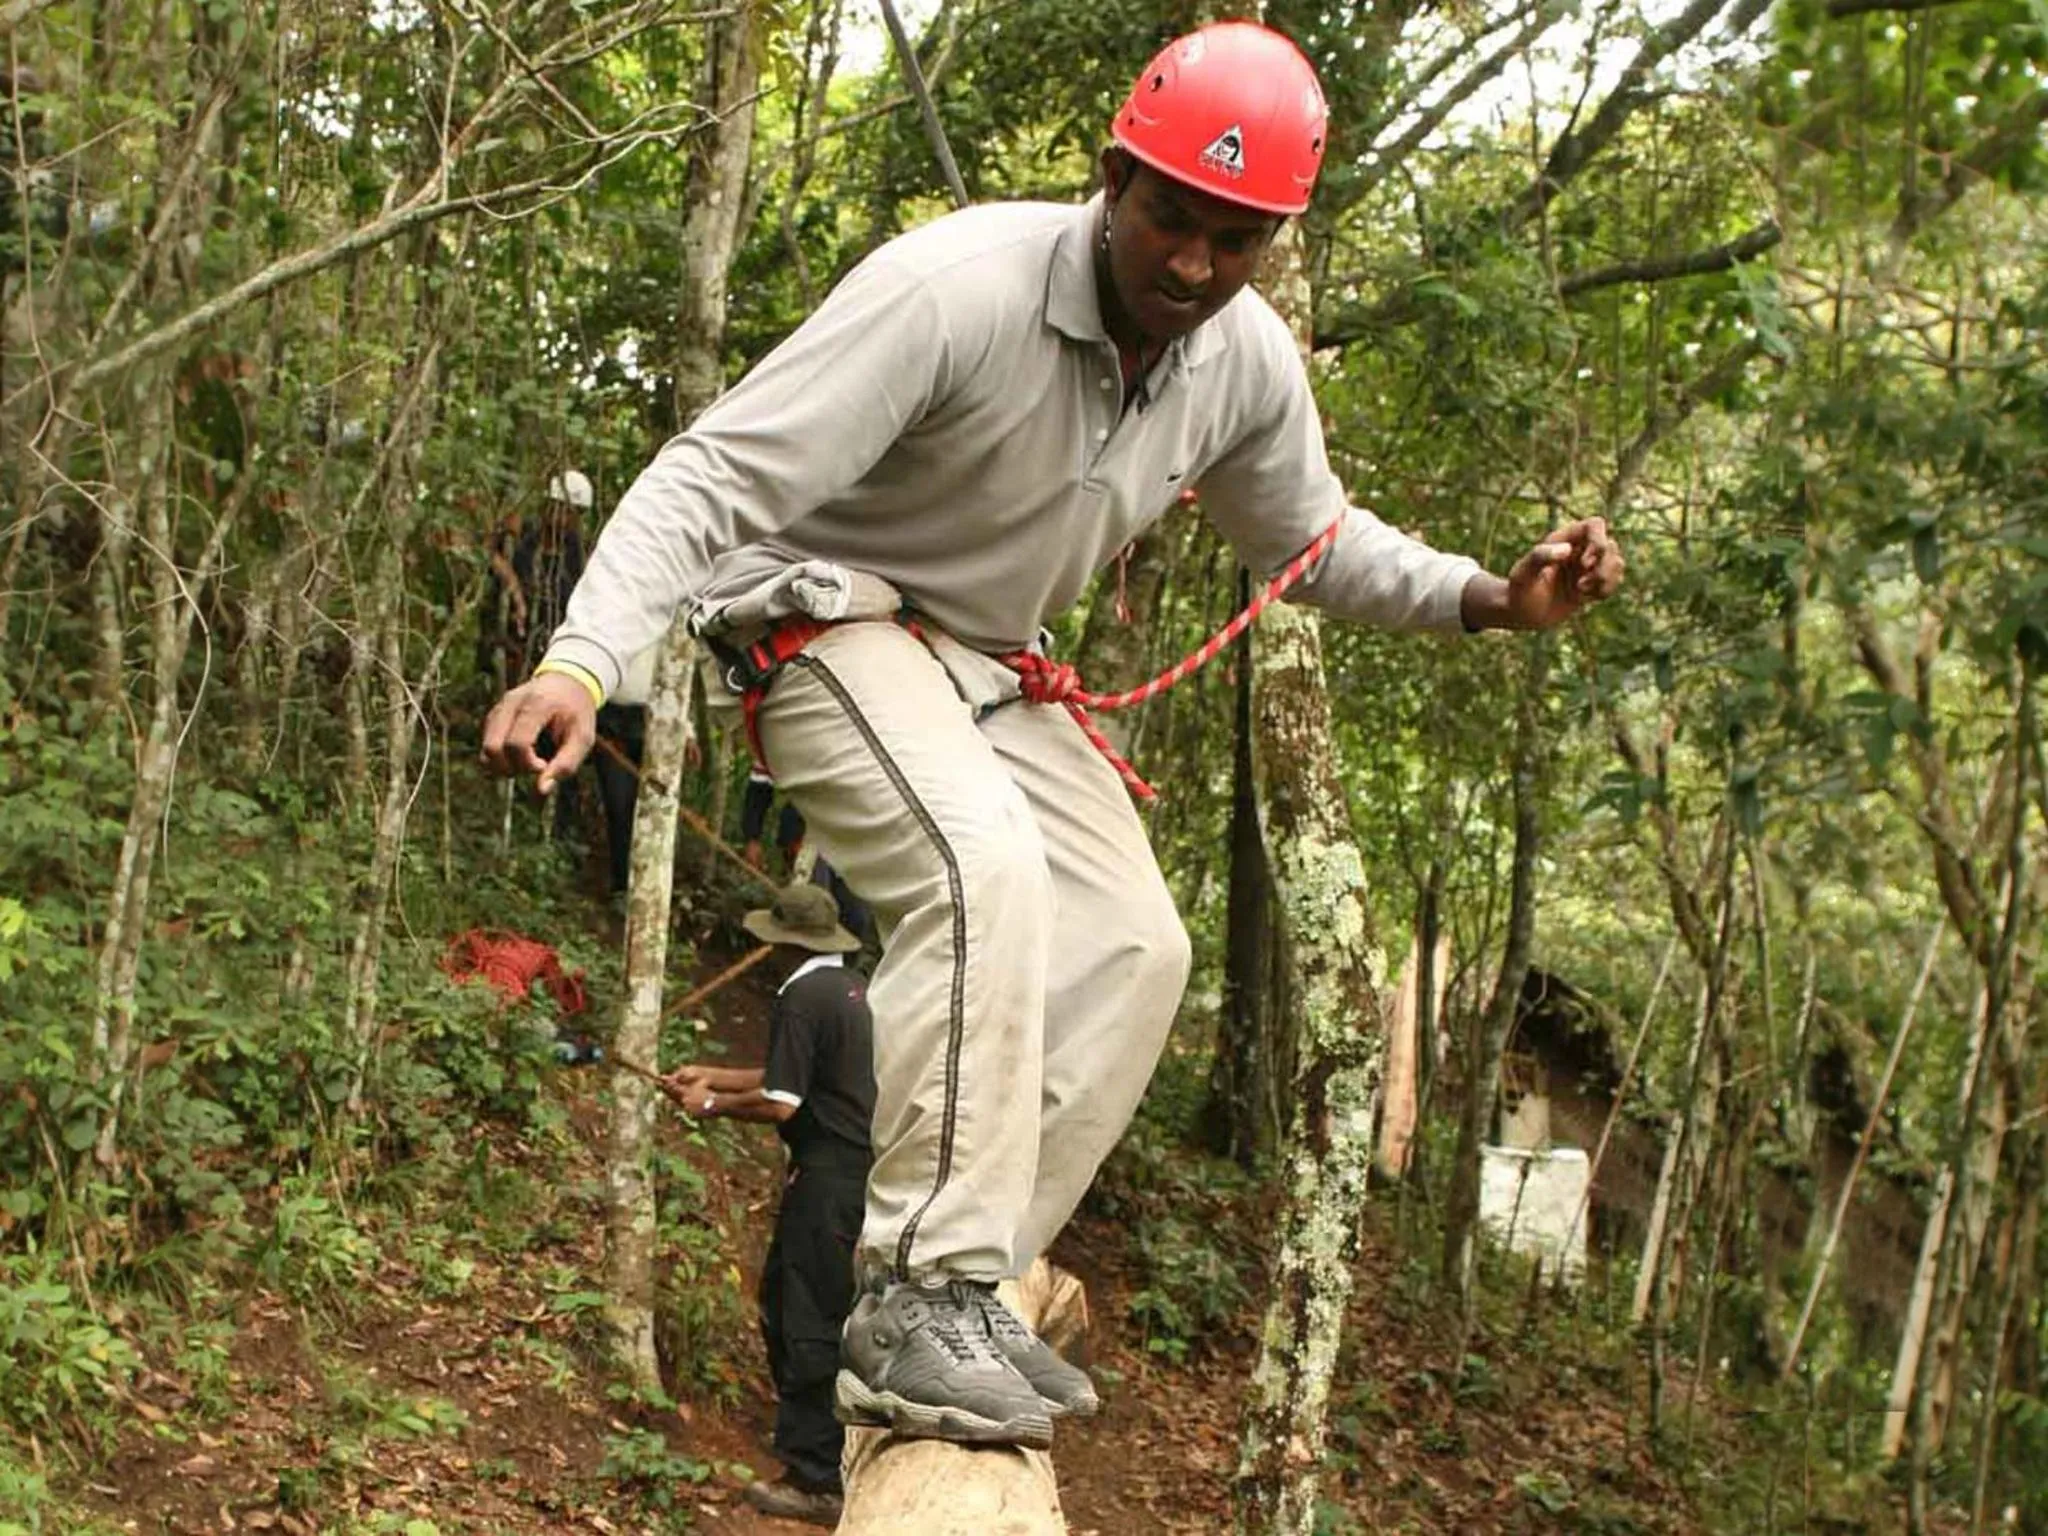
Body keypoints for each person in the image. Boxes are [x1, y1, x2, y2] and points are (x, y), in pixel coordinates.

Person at [484, 22, 1625, 1450]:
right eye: (1171, 217)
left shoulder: (1243, 361)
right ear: (1112, 178)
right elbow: (716, 470)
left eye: (1237, 237)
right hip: (816, 624)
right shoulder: (955, 288)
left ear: (1277, 238)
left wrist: (1492, 601)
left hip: (986, 666)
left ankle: (961, 1293)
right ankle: (917, 1287)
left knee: (1139, 943)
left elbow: (1315, 544)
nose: (1195, 263)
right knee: (981, 873)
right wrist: (586, 663)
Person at [657, 884, 875, 1527]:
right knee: (789, 1300)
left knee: (805, 1316)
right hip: (848, 1176)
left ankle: (816, 1478)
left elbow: (784, 1103)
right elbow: (792, 1074)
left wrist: (711, 1106)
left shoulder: (799, 996)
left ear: (785, 942)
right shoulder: (848, 990)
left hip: (829, 1179)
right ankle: (815, 1447)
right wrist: (714, 1076)